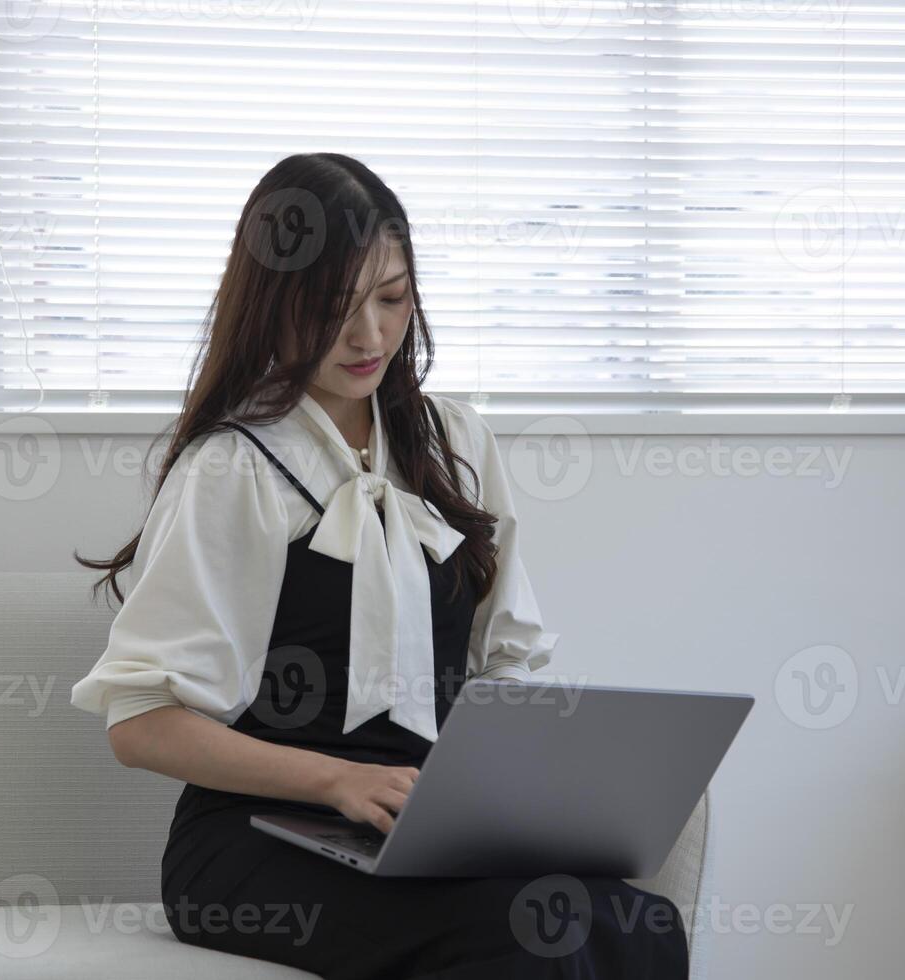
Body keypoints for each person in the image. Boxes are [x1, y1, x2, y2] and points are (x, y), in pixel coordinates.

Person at [70, 152, 687, 979]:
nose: (369, 337)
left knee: (636, 922)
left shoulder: (455, 442)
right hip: (252, 843)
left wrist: (516, 798)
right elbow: (139, 725)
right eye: (333, 309)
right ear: (273, 305)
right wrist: (336, 782)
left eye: (392, 300)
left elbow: (504, 663)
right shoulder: (235, 469)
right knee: (536, 936)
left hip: (418, 830)